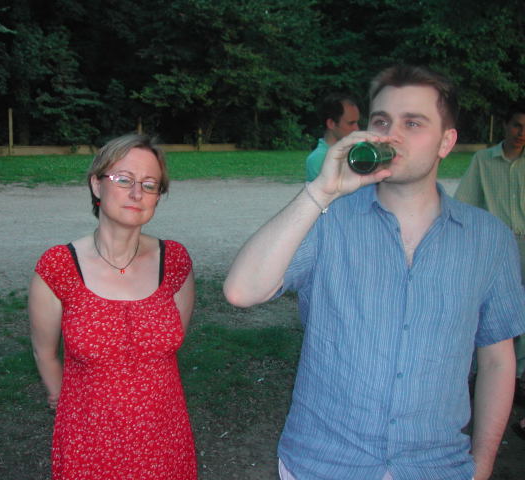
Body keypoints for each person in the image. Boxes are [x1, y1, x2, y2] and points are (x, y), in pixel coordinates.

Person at [224, 65, 525, 480]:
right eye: (381, 122)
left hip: (436, 467)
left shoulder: (489, 239)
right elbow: (242, 291)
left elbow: (496, 361)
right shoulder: (328, 219)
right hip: (323, 465)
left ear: (446, 141)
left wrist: (483, 463)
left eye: (413, 123)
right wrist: (320, 192)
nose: (391, 135)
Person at [29, 133, 197, 479]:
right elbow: (44, 353)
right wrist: (68, 407)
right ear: (96, 185)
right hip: (88, 444)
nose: (137, 194)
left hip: (164, 440)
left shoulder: (175, 262)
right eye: (124, 180)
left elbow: (172, 342)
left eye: (149, 185)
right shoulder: (59, 267)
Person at [455, 102, 525, 440]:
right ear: (506, 126)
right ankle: (477, 373)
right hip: (497, 248)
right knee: (488, 314)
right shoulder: (483, 160)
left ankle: (517, 377)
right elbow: (464, 203)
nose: (521, 133)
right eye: (517, 125)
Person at [305, 93, 360, 181]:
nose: (357, 128)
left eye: (357, 122)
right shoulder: (318, 159)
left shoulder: (355, 151)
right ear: (331, 124)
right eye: (351, 123)